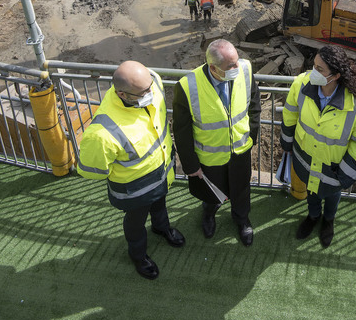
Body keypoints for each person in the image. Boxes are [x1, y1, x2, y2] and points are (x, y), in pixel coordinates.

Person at [77, 60, 185, 280]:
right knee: (136, 222)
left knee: (160, 202)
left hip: (161, 174)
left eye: (149, 88)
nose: (150, 94)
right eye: (143, 92)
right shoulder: (103, 132)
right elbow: (93, 170)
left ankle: (161, 227)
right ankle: (138, 256)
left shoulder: (152, 83)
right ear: (122, 95)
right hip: (134, 190)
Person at [280, 45, 356, 248]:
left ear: (336, 75)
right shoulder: (302, 84)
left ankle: (328, 221)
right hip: (305, 160)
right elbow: (290, 114)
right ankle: (313, 217)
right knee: (312, 193)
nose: (313, 72)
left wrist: (343, 176)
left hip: (332, 168)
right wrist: (287, 143)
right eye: (314, 66)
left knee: (331, 195)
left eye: (320, 69)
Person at [172, 39, 261, 246]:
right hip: (210, 156)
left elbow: (254, 105)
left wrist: (252, 136)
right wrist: (191, 165)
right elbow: (182, 130)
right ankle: (209, 214)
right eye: (231, 66)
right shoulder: (188, 86)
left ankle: (242, 219)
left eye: (237, 61)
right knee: (212, 192)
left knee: (241, 189)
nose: (237, 67)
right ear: (213, 68)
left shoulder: (245, 70)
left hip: (240, 150)